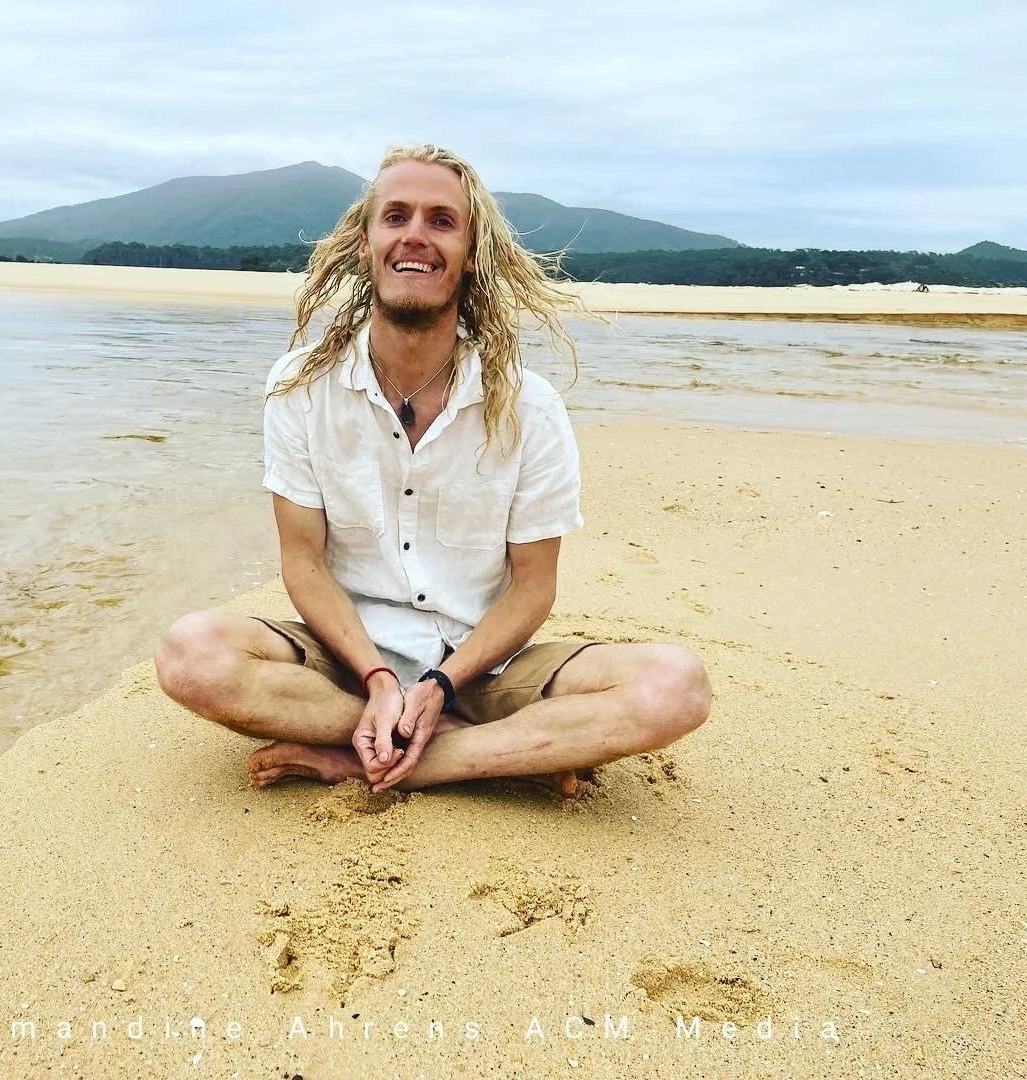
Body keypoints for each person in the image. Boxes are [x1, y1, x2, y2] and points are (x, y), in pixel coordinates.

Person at [155, 144, 711, 795]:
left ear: (470, 254)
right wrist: (377, 678)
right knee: (192, 655)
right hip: (346, 666)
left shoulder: (529, 408)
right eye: (396, 216)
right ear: (364, 244)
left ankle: (404, 758)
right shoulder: (300, 386)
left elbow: (533, 588)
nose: (415, 235)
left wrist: (443, 684)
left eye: (442, 221)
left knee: (675, 686)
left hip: (486, 672)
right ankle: (476, 748)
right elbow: (303, 561)